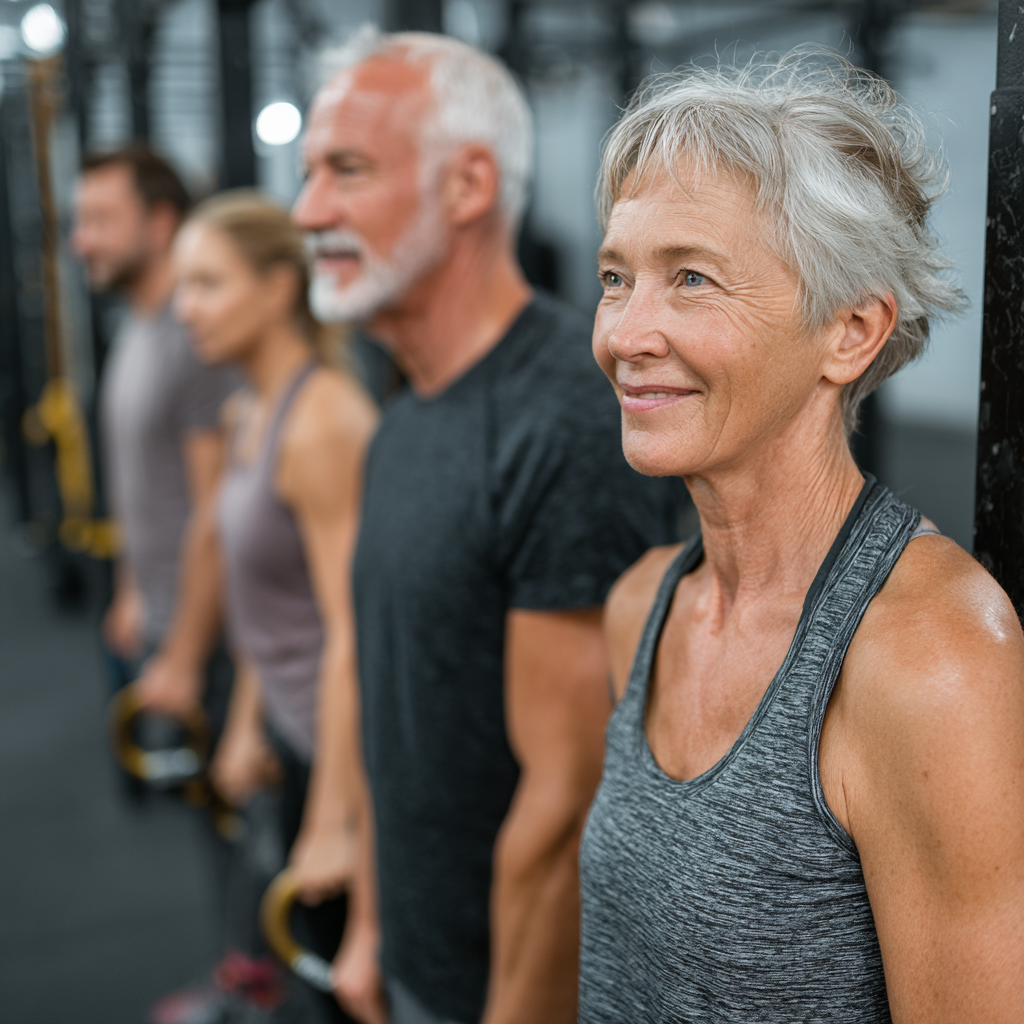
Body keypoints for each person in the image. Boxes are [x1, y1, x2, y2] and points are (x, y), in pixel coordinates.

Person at [577, 52, 1024, 1023]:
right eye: (616, 278)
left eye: (690, 278)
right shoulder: (641, 607)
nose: (626, 331)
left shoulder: (928, 656)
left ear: (850, 332)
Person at [292, 28, 685, 1024]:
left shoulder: (561, 417)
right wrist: (376, 930)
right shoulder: (404, 414)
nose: (308, 211)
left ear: (468, 186)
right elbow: (394, 704)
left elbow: (565, 812)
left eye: (345, 170)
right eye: (307, 175)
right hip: (414, 958)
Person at [174, 192, 377, 1024]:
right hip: (292, 738)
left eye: (209, 284)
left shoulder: (323, 421)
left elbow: (355, 630)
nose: (186, 309)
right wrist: (248, 722)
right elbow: (266, 598)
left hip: (348, 760)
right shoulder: (246, 410)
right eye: (184, 286)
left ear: (277, 288)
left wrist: (334, 819)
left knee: (349, 991)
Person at [71, 146, 236, 720]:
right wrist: (131, 589)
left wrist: (188, 657)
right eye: (80, 222)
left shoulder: (196, 339)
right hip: (162, 616)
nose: (81, 242)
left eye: (99, 221)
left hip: (217, 637)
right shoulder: (135, 326)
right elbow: (136, 478)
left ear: (160, 223)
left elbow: (216, 511)